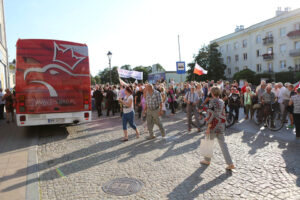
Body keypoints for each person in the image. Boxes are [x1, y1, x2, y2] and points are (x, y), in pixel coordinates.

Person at [200, 86, 235, 170]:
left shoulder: (212, 102)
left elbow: (211, 114)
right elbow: (223, 113)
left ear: (212, 93)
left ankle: (207, 160)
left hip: (213, 125)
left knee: (208, 141)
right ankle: (230, 163)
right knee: (223, 145)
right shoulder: (222, 101)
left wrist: (208, 126)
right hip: (221, 125)